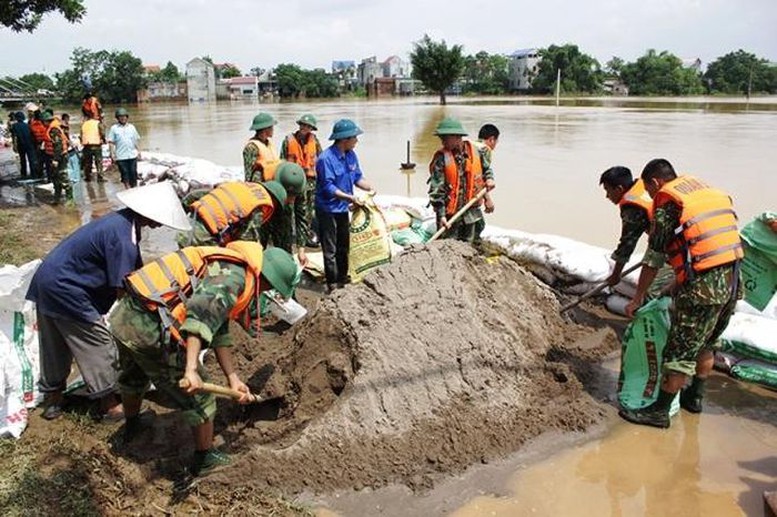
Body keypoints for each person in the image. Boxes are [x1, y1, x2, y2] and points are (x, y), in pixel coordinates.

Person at [111, 243, 298, 477]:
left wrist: (233, 378)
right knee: (202, 398)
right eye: (269, 288)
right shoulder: (233, 280)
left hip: (124, 317)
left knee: (134, 375)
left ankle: (132, 425)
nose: (264, 293)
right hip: (149, 330)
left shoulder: (231, 264)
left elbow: (218, 330)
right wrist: (190, 370)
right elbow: (199, 320)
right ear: (268, 281)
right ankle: (205, 459)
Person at [25, 181, 191, 422]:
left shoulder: (121, 222)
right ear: (149, 213)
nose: (160, 225)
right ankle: (110, 406)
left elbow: (137, 274)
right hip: (68, 290)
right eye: (160, 219)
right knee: (99, 344)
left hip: (47, 282)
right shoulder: (122, 237)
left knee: (55, 345)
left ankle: (53, 401)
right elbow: (125, 287)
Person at [620, 159, 743, 429]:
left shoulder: (668, 205)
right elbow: (705, 248)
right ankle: (694, 398)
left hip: (703, 290)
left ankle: (658, 412)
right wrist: (673, 285)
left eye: (651, 193)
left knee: (680, 350)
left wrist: (638, 298)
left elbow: (654, 258)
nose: (652, 199)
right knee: (707, 343)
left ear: (655, 182)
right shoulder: (706, 193)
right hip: (732, 282)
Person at [315, 119, 375, 292]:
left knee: (344, 245)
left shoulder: (351, 155)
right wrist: (350, 198)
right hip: (327, 209)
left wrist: (370, 188)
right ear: (344, 139)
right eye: (354, 137)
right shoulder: (326, 159)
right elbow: (328, 187)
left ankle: (343, 278)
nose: (357, 141)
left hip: (342, 208)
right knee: (330, 248)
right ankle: (332, 284)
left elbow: (357, 177)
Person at [428, 117, 495, 243]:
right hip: (450, 216)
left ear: (457, 137)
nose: (442, 142)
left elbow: (485, 171)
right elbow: (437, 191)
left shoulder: (476, 152)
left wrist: (490, 181)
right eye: (441, 138)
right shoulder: (442, 159)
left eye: (445, 138)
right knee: (448, 246)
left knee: (471, 244)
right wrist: (441, 215)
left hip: (471, 211)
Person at [176, 180, 287, 247]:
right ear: (275, 202)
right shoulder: (260, 207)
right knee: (218, 274)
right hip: (202, 239)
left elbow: (195, 194)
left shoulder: (241, 186)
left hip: (186, 227)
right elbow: (246, 241)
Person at [599, 166, 653, 286]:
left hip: (675, 245)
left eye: (608, 191)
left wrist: (615, 275)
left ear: (619, 189)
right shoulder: (644, 188)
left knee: (650, 289)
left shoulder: (632, 208)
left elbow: (627, 244)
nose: (607, 196)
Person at [280, 114, 323, 247]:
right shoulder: (288, 140)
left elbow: (321, 160)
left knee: (308, 212)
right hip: (292, 182)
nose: (305, 128)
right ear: (299, 126)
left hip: (310, 182)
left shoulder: (314, 141)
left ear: (311, 128)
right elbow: (281, 161)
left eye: (308, 126)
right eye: (303, 125)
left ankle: (305, 237)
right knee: (290, 210)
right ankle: (288, 237)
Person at [259, 162, 311, 266]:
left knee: (286, 257)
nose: (291, 199)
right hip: (263, 214)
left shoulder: (299, 184)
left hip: (283, 215)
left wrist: (301, 249)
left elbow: (302, 217)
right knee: (257, 254)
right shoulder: (261, 179)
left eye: (293, 196)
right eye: (288, 195)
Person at [474, 123, 500, 237]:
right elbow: (481, 175)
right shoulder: (485, 150)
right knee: (479, 226)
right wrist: (488, 199)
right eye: (497, 141)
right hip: (472, 195)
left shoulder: (471, 145)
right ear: (492, 139)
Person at [41, 110, 73, 202]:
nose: (42, 124)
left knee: (63, 177)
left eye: (43, 122)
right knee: (55, 178)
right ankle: (57, 198)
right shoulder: (50, 128)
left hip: (59, 157)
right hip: (52, 156)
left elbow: (58, 145)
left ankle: (70, 200)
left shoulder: (54, 129)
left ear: (46, 121)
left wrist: (56, 159)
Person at [108, 107, 141, 188]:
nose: (123, 118)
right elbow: (111, 142)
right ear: (117, 118)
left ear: (127, 117)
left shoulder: (132, 127)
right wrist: (112, 154)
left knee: (133, 172)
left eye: (124, 116)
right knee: (124, 173)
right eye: (120, 117)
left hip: (132, 154)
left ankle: (134, 187)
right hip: (121, 156)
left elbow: (135, 140)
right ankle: (127, 188)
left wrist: (139, 151)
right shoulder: (114, 128)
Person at [243, 112, 281, 183]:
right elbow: (249, 174)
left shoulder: (269, 144)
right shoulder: (251, 147)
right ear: (264, 130)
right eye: (271, 127)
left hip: (274, 181)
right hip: (261, 183)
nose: (273, 130)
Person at [10, 111, 37, 178]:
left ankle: (24, 174)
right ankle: (33, 174)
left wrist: (14, 146)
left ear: (16, 118)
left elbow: (14, 137)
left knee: (22, 160)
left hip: (21, 145)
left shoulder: (14, 126)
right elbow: (32, 135)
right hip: (30, 144)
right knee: (31, 159)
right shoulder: (28, 125)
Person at [80, 112, 106, 182]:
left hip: (86, 145)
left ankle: (88, 176)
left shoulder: (84, 124)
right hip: (96, 145)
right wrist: (104, 140)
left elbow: (81, 135)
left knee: (88, 162)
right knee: (99, 161)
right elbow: (102, 132)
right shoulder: (97, 123)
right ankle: (100, 177)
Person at [28, 105, 50, 180]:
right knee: (47, 161)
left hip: (37, 144)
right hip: (45, 143)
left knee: (39, 160)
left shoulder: (32, 124)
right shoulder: (44, 124)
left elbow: (31, 135)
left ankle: (39, 174)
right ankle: (48, 175)